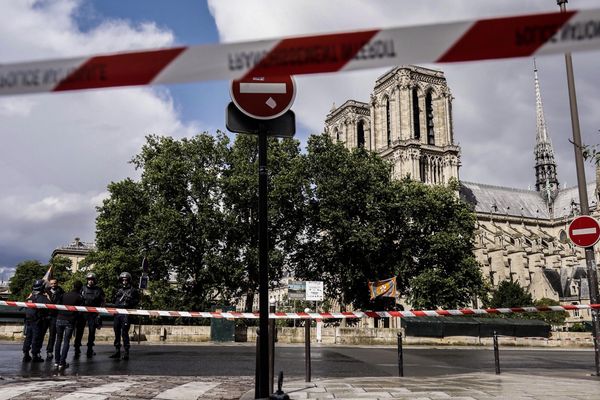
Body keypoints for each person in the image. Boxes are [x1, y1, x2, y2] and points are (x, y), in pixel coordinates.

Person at [53, 281, 83, 371]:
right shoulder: (79, 297)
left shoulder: (64, 294)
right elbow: (80, 310)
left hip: (59, 318)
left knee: (58, 340)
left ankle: (56, 362)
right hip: (70, 320)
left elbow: (58, 304)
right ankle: (62, 363)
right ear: (80, 288)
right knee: (66, 341)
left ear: (73, 286)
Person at [73, 272, 105, 358]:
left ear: (95, 280)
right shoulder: (82, 288)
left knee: (92, 332)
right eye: (89, 279)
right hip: (82, 313)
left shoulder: (98, 290)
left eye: (92, 280)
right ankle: (77, 347)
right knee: (79, 331)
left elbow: (102, 301)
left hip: (93, 313)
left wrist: (99, 313)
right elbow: (77, 299)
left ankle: (90, 349)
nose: (90, 281)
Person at [109, 272, 139, 360]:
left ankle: (126, 352)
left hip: (126, 313)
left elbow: (136, 301)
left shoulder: (133, 290)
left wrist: (130, 300)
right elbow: (113, 300)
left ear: (129, 280)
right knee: (116, 332)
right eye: (123, 280)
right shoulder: (118, 290)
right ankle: (117, 351)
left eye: (126, 280)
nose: (124, 281)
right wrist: (115, 296)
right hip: (117, 313)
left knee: (124, 333)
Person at [22, 279, 50, 362]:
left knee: (28, 337)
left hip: (28, 320)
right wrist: (48, 296)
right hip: (38, 321)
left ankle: (26, 354)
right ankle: (35, 355)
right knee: (36, 338)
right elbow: (51, 308)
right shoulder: (43, 298)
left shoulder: (30, 298)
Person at [44, 278, 64, 361]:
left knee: (52, 335)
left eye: (54, 283)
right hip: (45, 315)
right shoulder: (45, 291)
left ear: (57, 283)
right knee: (40, 334)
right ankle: (36, 351)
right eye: (51, 283)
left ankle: (49, 351)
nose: (53, 285)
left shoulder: (61, 292)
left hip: (55, 316)